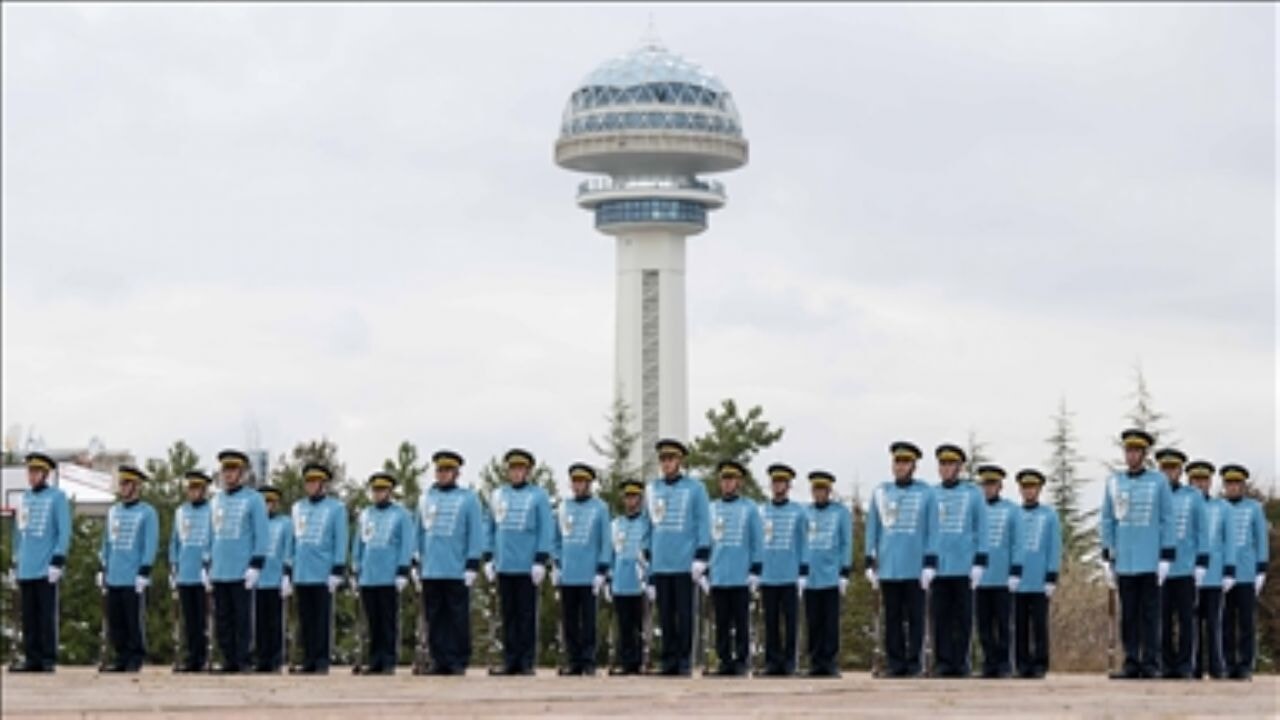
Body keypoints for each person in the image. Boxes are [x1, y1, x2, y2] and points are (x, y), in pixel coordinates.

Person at [1100, 429, 1175, 679]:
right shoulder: (1113, 482)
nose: (1131, 455)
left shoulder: (1158, 482)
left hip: (1150, 558)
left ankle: (1151, 663)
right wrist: (1107, 556)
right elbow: (1107, 519)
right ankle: (1131, 662)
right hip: (1125, 561)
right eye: (1128, 451)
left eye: (1136, 451)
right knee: (1128, 615)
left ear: (1144, 454)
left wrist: (1166, 556)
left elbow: (1167, 520)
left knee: (1150, 614)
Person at [865, 441, 937, 678]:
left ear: (913, 465)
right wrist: (869, 560)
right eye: (897, 461)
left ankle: (914, 663)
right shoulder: (881, 492)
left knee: (916, 618)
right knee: (892, 618)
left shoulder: (926, 493)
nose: (900, 466)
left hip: (915, 566)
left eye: (906, 462)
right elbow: (872, 529)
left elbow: (932, 531)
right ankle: (896, 664)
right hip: (889, 566)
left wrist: (929, 563)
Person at [415, 450, 484, 675]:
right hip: (431, 568)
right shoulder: (426, 498)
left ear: (456, 472)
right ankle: (438, 659)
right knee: (434, 618)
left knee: (457, 617)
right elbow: (419, 532)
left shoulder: (468, 498)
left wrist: (473, 562)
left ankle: (457, 659)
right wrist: (416, 561)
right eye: (439, 470)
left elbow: (475, 532)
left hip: (456, 568)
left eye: (447, 470)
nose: (443, 474)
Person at [647, 438, 711, 676]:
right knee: (665, 615)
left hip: (685, 562)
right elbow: (648, 524)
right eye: (663, 459)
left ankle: (684, 659)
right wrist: (646, 552)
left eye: (671, 459)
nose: (667, 463)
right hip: (661, 561)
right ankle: (668, 659)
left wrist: (702, 555)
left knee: (685, 614)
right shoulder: (653, 489)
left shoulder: (695, 488)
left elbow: (704, 522)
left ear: (680, 461)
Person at [486, 448, 553, 676]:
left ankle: (526, 661)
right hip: (504, 563)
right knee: (509, 615)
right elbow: (491, 527)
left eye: (520, 468)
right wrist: (488, 556)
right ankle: (510, 660)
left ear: (527, 471)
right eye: (512, 468)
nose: (516, 473)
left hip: (527, 564)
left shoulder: (538, 496)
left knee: (526, 614)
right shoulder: (498, 495)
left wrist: (541, 559)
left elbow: (546, 528)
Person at [929, 443, 988, 677]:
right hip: (939, 566)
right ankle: (943, 662)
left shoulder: (973, 494)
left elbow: (981, 527)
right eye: (942, 464)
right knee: (940, 617)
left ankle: (961, 662)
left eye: (950, 464)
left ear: (959, 467)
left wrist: (980, 561)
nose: (945, 468)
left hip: (964, 564)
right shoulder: (932, 494)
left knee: (963, 618)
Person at [10, 452, 71, 673]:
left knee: (46, 615)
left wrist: (58, 559)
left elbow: (64, 531)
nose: (32, 476)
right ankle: (31, 657)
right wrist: (15, 559)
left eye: (36, 471)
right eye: (30, 471)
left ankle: (47, 657)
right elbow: (18, 532)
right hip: (26, 565)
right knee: (29, 615)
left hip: (46, 566)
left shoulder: (57, 497)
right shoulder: (24, 498)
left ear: (45, 474)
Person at [209, 449, 269, 673]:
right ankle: (228, 659)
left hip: (242, 568)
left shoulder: (254, 499)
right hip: (220, 568)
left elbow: (261, 534)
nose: (228, 474)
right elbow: (211, 534)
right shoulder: (216, 500)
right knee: (222, 618)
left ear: (242, 473)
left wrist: (256, 564)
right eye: (225, 470)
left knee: (243, 617)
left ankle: (244, 659)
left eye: (233, 470)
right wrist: (207, 564)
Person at [552, 463, 613, 676]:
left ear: (589, 484)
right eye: (574, 482)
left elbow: (606, 541)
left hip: (589, 573)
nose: (577, 486)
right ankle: (573, 660)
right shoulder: (563, 507)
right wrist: (557, 564)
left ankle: (588, 660)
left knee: (588, 620)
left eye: (581, 482)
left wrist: (602, 570)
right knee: (569, 621)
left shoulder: (600, 508)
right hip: (568, 573)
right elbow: (557, 539)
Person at [352, 471, 415, 674]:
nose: (378, 494)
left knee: (388, 621)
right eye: (375, 490)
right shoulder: (365, 514)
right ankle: (374, 660)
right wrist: (355, 567)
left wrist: (403, 570)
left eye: (382, 490)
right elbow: (359, 543)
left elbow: (406, 544)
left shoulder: (401, 514)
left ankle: (388, 659)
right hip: (369, 575)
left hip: (389, 575)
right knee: (372, 622)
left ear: (389, 491)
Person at [98, 464, 159, 672]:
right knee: (116, 621)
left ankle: (136, 656)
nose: (122, 487)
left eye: (127, 483)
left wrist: (144, 570)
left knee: (134, 619)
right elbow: (106, 542)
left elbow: (150, 543)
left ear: (136, 486)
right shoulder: (113, 511)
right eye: (121, 483)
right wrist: (102, 566)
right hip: (114, 573)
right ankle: (121, 656)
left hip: (133, 575)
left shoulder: (147, 512)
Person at [705, 460, 763, 676]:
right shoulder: (711, 509)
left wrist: (756, 570)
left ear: (738, 482)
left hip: (741, 575)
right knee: (721, 622)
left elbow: (757, 541)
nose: (727, 483)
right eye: (724, 479)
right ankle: (724, 661)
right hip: (719, 574)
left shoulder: (749, 508)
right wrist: (705, 569)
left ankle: (741, 660)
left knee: (741, 622)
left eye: (731, 479)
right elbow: (708, 540)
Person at [290, 462, 348, 675]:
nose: (311, 485)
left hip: (323, 571)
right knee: (305, 619)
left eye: (315, 481)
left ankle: (322, 659)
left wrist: (338, 568)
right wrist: (289, 568)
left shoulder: (336, 508)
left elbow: (340, 539)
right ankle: (308, 659)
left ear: (323, 484)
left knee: (322, 618)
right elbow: (295, 540)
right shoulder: (297, 508)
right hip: (302, 571)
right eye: (308, 482)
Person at [1155, 448, 1208, 679]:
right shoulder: (1154, 495)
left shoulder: (1193, 496)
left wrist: (1202, 563)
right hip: (1159, 570)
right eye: (1165, 468)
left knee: (1187, 619)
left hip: (1186, 568)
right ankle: (1167, 664)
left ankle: (1186, 664)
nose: (1169, 473)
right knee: (1162, 619)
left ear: (1179, 471)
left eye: (1173, 468)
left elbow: (1202, 530)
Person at [1008, 468, 1060, 679]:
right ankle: (1022, 664)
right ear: (1020, 490)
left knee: (1039, 624)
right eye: (1025, 487)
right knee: (1019, 624)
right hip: (1018, 581)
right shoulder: (1014, 514)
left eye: (1033, 487)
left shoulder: (1049, 515)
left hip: (1039, 580)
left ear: (1039, 489)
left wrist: (1051, 576)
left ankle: (1040, 664)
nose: (1029, 491)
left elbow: (1054, 547)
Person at [758, 462, 808, 677]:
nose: (778, 486)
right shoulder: (761, 511)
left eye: (782, 482)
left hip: (790, 574)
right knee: (770, 621)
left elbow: (804, 542)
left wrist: (803, 571)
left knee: (790, 622)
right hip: (768, 574)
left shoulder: (799, 512)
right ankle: (772, 661)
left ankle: (790, 661)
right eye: (775, 482)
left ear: (788, 486)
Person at [1220, 464, 1268, 681]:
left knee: (1247, 622)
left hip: (1247, 573)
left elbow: (1261, 540)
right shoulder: (1219, 507)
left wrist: (1261, 569)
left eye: (1236, 483)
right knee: (1226, 621)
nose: (1233, 487)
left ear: (1243, 485)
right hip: (1222, 574)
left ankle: (1246, 664)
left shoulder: (1254, 508)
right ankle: (1228, 663)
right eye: (1229, 484)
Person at [803, 469, 852, 678]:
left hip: (831, 575)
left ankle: (830, 662)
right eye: (815, 489)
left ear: (829, 491)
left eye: (822, 489)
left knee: (830, 622)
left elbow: (845, 542)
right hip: (810, 577)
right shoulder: (805, 512)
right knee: (813, 621)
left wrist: (845, 571)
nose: (819, 493)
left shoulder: (840, 513)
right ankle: (815, 661)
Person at [1187, 460, 1234, 679]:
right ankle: (1193, 666)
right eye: (1196, 480)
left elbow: (1229, 541)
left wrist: (1229, 571)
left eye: (1204, 480)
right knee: (1191, 624)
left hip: (1213, 575)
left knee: (1214, 623)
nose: (1200, 484)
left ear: (1210, 482)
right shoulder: (1184, 504)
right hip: (1188, 574)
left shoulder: (1222, 507)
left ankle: (1217, 666)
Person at [974, 464, 1018, 678]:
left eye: (992, 484)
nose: (988, 488)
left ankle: (1004, 663)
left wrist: (1015, 571)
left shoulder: (1011, 510)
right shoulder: (975, 510)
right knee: (983, 624)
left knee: (1003, 623)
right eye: (985, 484)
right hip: (980, 578)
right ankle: (988, 662)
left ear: (1000, 486)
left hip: (1002, 577)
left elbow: (1016, 543)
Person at [169, 469, 214, 672]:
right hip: (185, 572)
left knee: (204, 618)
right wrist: (173, 566)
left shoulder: (212, 510)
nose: (193, 491)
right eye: (191, 488)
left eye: (197, 488)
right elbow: (175, 542)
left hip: (203, 572)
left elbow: (214, 539)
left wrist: (209, 564)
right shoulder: (181, 512)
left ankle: (204, 656)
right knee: (189, 620)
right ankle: (191, 657)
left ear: (204, 490)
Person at [606, 479, 651, 675]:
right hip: (621, 582)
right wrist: (608, 578)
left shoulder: (647, 524)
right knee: (624, 625)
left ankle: (641, 661)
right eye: (628, 497)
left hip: (640, 582)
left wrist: (651, 578)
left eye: (634, 497)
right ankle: (626, 662)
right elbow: (610, 554)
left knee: (641, 625)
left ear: (641, 499)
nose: (631, 501)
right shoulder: (616, 524)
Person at [255, 485, 294, 672]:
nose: (266, 506)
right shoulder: (254, 523)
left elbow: (288, 549)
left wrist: (287, 574)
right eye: (263, 502)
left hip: (276, 577)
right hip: (257, 579)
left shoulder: (285, 523)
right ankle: (262, 659)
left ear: (275, 504)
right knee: (258, 622)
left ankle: (276, 659)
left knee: (275, 622)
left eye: (270, 502)